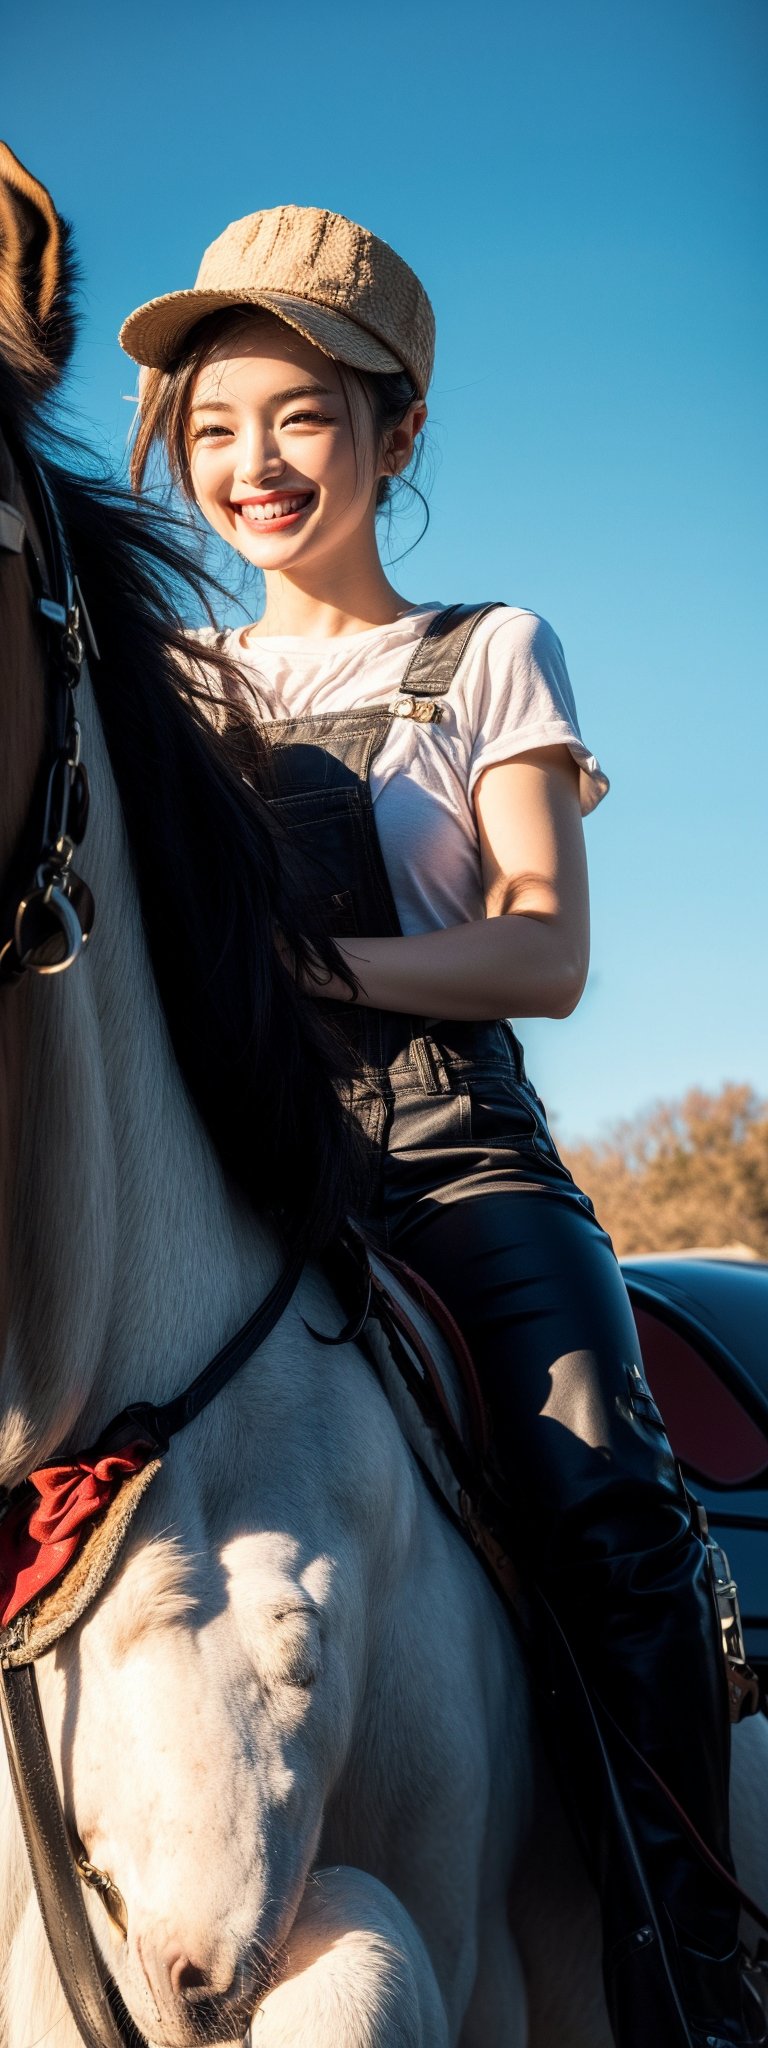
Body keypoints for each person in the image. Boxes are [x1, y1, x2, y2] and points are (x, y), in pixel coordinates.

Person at [119, 207, 763, 2048]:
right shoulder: (166, 692)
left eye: (304, 418)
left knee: (611, 1495)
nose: (254, 463)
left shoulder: (493, 650)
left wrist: (312, 971)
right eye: (219, 422)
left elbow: (545, 952)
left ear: (392, 438)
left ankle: (690, 1974)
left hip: (448, 1164)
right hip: (233, 1180)